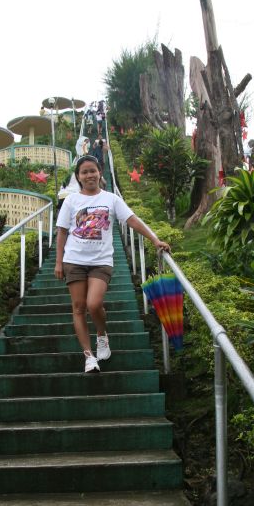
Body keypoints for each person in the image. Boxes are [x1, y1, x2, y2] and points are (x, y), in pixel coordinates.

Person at [55, 155, 170, 372]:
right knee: (78, 308)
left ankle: (101, 335)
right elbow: (61, 232)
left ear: (100, 172)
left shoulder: (111, 199)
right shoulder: (71, 201)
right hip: (74, 260)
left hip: (101, 261)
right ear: (78, 177)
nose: (89, 175)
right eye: (84, 172)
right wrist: (59, 262)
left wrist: (155, 240)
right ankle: (88, 356)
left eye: (92, 171)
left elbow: (132, 220)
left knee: (94, 304)